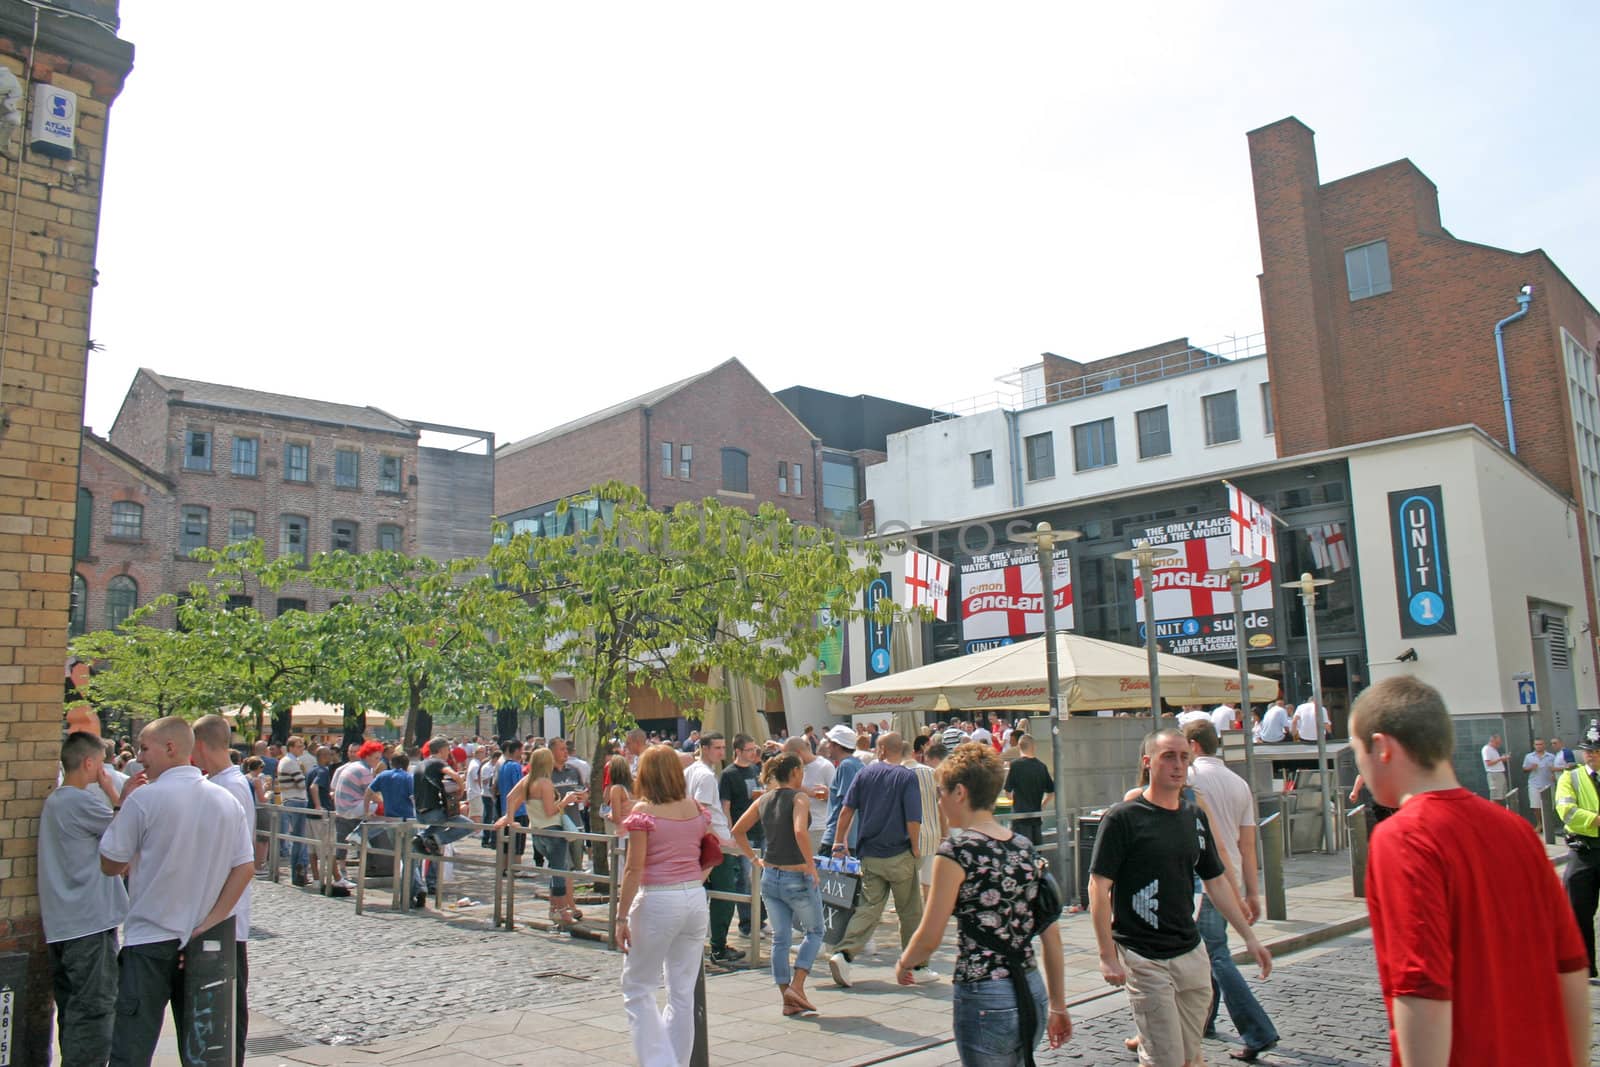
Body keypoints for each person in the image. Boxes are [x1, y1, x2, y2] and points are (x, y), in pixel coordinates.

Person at [1354, 677, 1590, 1065]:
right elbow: (1568, 966)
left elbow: (1421, 989)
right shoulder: (1517, 829)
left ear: (1381, 747)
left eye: (1358, 750)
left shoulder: (1401, 836)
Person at [1089, 729, 1271, 1067]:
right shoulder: (1124, 817)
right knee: (1167, 1059)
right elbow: (1098, 887)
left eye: (1183, 757)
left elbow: (1215, 880)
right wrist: (1106, 955)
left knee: (1191, 1056)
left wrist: (1249, 937)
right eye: (1168, 757)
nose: (1177, 765)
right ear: (1148, 762)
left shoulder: (1193, 816)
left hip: (1190, 952)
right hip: (1144, 954)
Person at [896, 742, 1071, 1066]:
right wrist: (1058, 1005)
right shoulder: (1024, 847)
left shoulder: (956, 851)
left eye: (941, 792)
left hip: (985, 992)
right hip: (1030, 986)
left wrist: (906, 962)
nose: (939, 800)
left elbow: (930, 936)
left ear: (959, 792)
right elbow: (1052, 935)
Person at [98, 717, 255, 1067]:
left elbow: (110, 863)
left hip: (150, 940)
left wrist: (122, 804)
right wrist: (211, 922)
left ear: (170, 748)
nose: (140, 757)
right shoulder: (225, 800)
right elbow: (244, 867)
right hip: (204, 942)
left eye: (144, 748)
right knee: (206, 1052)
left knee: (131, 1049)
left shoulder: (144, 800)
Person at [1182, 719, 1279, 1062]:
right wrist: (1253, 892)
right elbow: (1248, 844)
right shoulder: (1239, 784)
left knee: (1217, 954)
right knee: (1212, 950)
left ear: (1193, 746)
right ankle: (1206, 1019)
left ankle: (1258, 1030)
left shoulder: (1190, 778)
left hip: (1202, 879)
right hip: (1231, 875)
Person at [617, 745, 717, 1067]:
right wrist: (695, 880)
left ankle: (660, 1062)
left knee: (637, 986)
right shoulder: (697, 809)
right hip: (694, 898)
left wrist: (620, 916)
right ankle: (677, 1061)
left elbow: (634, 868)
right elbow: (713, 853)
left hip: (658, 897)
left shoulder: (644, 813)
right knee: (682, 993)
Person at [40, 731, 129, 1067]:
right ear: (89, 762)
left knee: (73, 1011)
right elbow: (123, 837)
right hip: (88, 924)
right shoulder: (80, 800)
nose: (103, 771)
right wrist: (115, 794)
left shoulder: (56, 801)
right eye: (102, 765)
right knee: (94, 1012)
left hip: (63, 924)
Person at [827, 732, 926, 988]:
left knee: (868, 907)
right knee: (910, 911)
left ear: (880, 750)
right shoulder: (906, 776)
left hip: (869, 852)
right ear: (900, 750)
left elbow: (846, 809)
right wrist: (915, 847)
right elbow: (913, 818)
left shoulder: (864, 774)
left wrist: (839, 841)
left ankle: (844, 954)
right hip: (899, 852)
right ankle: (915, 964)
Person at [192, 714, 263, 1064]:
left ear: (200, 745)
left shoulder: (227, 787)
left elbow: (237, 861)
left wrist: (214, 914)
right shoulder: (224, 782)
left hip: (225, 918)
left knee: (226, 1012)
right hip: (223, 915)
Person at [730, 752, 824, 1016]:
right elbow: (799, 831)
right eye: (802, 771)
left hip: (770, 874)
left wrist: (752, 857)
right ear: (794, 772)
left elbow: (737, 830)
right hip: (796, 874)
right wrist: (810, 865)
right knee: (815, 931)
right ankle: (797, 984)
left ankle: (788, 998)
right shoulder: (799, 798)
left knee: (780, 939)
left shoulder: (765, 799)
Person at [496, 747, 586, 924]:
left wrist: (511, 819)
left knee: (555, 870)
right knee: (560, 871)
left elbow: (509, 797)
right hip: (552, 830)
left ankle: (554, 909)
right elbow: (550, 810)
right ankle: (561, 910)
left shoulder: (527, 780)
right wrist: (566, 801)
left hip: (537, 831)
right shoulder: (544, 783)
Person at [683, 731, 743, 962]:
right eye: (717, 748)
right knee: (725, 893)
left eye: (723, 747)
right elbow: (701, 811)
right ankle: (718, 946)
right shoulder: (705, 775)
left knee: (702, 892)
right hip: (714, 842)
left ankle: (700, 943)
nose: (721, 752)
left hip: (700, 840)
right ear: (705, 748)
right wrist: (719, 839)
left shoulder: (690, 771)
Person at [1554, 718, 1600, 982]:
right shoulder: (1570, 777)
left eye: (1596, 750)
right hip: (1583, 851)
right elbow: (1566, 811)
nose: (1591, 755)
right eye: (1588, 750)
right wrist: (1596, 819)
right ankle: (1585, 971)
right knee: (1578, 911)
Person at [721, 734, 765, 939]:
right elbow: (725, 806)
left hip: (760, 829)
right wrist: (731, 832)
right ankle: (747, 924)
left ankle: (760, 919)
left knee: (761, 877)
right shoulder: (728, 774)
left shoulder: (756, 770)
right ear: (738, 751)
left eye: (754, 749)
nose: (753, 753)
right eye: (749, 750)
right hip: (743, 833)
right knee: (746, 878)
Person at [907, 738, 946, 895]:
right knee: (928, 876)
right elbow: (942, 805)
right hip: (933, 831)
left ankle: (913, 907)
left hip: (911, 833)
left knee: (912, 875)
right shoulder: (933, 774)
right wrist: (945, 833)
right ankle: (928, 905)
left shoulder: (905, 774)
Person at [783, 735, 834, 854]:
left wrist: (817, 794)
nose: (786, 759)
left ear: (798, 753)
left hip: (818, 827)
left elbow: (836, 798)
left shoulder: (825, 766)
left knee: (815, 868)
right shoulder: (793, 769)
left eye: (788, 755)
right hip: (795, 826)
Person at [818, 723, 863, 856]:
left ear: (837, 745)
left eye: (829, 742)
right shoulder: (857, 764)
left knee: (828, 877)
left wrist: (839, 842)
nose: (827, 746)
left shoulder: (846, 766)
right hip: (851, 839)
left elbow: (848, 806)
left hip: (839, 839)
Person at [275, 735, 315, 885]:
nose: (302, 749)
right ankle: (300, 871)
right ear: (291, 747)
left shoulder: (288, 761)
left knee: (299, 838)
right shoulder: (290, 762)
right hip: (296, 801)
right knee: (300, 839)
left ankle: (299, 871)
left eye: (302, 746)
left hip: (291, 800)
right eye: (299, 746)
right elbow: (301, 784)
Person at [1002, 734, 1054, 846]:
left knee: (1021, 852)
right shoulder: (1041, 767)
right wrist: (1042, 805)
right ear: (1034, 747)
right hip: (1036, 818)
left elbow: (1007, 792)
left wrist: (1016, 800)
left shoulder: (1015, 766)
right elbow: (1051, 792)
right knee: (1037, 854)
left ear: (1019, 747)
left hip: (1019, 817)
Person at [1524, 737, 1558, 831]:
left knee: (1549, 806)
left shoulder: (1551, 756)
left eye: (1541, 744)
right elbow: (1524, 769)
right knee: (1536, 805)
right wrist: (1531, 767)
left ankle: (1548, 825)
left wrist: (1553, 775)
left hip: (1548, 784)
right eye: (1537, 744)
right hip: (1534, 783)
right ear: (1534, 746)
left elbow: (1555, 769)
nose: (1539, 746)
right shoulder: (1529, 756)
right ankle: (1539, 824)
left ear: (1544, 745)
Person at [1481, 732, 1511, 803]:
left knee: (1500, 796)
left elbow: (1495, 762)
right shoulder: (1486, 749)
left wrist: (1503, 759)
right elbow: (1488, 763)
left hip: (1499, 773)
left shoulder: (1494, 749)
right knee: (1495, 796)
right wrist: (1500, 758)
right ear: (1492, 741)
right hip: (1494, 774)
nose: (1499, 745)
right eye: (1497, 743)